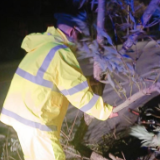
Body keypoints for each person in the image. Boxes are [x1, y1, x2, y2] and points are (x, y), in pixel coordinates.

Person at [0, 13, 117, 160]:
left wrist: (88, 81)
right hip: (37, 121)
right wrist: (104, 111)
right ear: (73, 32)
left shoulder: (45, 47)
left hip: (23, 117)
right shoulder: (60, 52)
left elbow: (53, 80)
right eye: (80, 36)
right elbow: (76, 92)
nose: (80, 42)